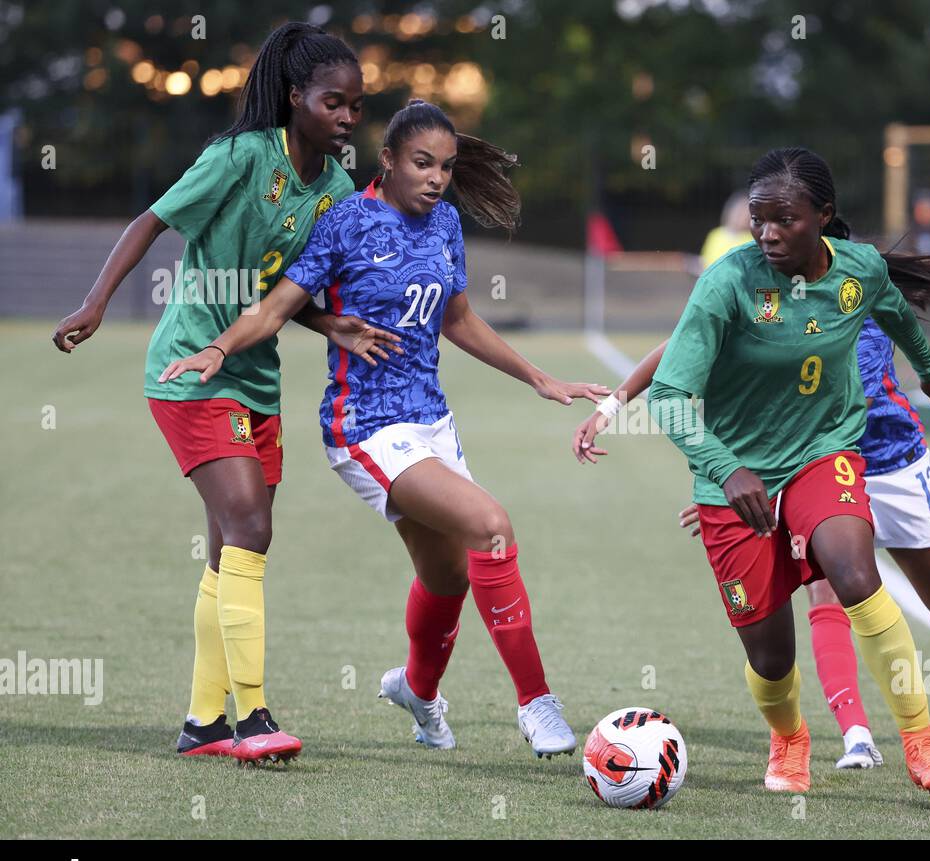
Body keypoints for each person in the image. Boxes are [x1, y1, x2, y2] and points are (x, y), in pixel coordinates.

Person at [160, 100, 610, 759]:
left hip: (433, 423)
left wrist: (539, 377)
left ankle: (417, 691)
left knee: (449, 573)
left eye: (447, 168)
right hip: (365, 427)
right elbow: (279, 306)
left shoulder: (446, 222)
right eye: (423, 164)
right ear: (389, 160)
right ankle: (536, 703)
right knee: (491, 526)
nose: (436, 179)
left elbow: (458, 320)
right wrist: (221, 347)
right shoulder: (345, 222)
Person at [580, 147, 930, 793]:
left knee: (854, 573)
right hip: (734, 477)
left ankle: (921, 741)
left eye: (784, 220)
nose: (767, 234)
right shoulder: (727, 284)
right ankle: (790, 737)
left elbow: (891, 308)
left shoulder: (859, 268)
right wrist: (725, 468)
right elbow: (670, 395)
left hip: (825, 452)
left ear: (823, 216)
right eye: (758, 220)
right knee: (769, 653)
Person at [51, 23, 388, 765]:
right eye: (335, 101)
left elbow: (282, 294)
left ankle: (202, 722)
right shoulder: (241, 156)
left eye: (357, 107)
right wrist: (96, 302)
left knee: (227, 548)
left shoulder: (332, 189)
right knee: (251, 526)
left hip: (255, 380)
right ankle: (253, 714)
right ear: (296, 96)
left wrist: (334, 324)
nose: (347, 117)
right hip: (190, 371)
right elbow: (152, 220)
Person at [574, 312, 930, 771]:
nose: (770, 238)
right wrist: (616, 411)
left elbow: (905, 326)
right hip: (808, 462)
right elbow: (682, 344)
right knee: (835, 582)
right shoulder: (755, 282)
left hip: (892, 462)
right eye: (764, 233)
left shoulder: (858, 277)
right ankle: (857, 734)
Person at [698, 190, 752, 268]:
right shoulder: (715, 234)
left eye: (744, 213)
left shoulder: (751, 240)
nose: (740, 216)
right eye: (738, 211)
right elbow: (704, 262)